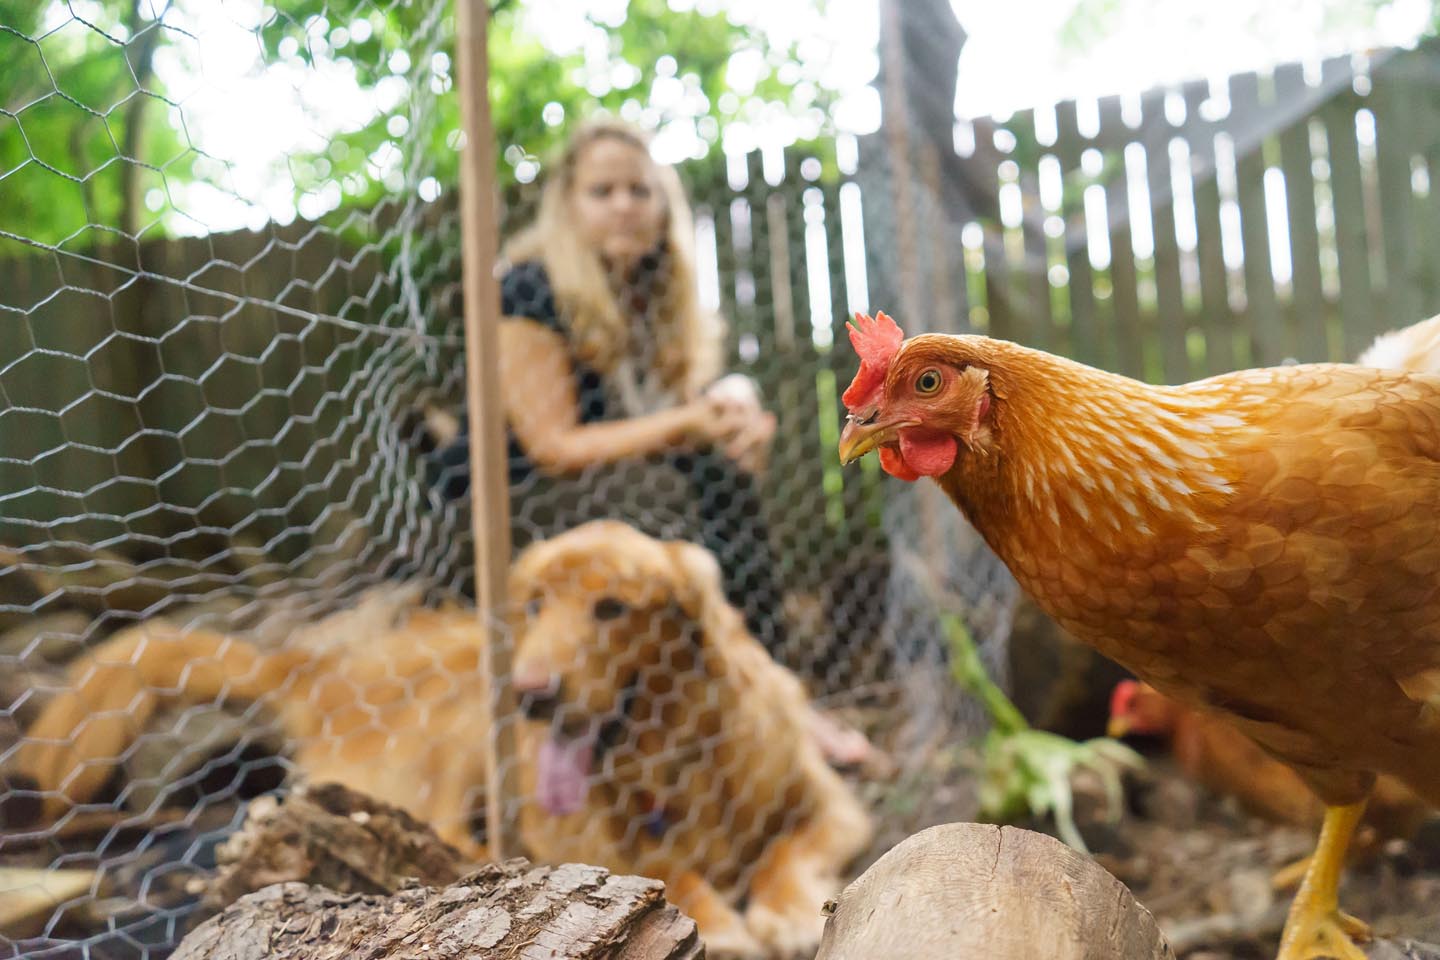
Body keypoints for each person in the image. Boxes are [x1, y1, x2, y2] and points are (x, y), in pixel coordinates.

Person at [430, 118, 784, 652]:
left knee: (717, 472)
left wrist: (736, 409)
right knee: (663, 491)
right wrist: (687, 424)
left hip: (599, 494)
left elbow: (684, 405)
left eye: (640, 190)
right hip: (502, 509)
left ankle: (752, 662)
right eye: (602, 191)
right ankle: (725, 662)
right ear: (569, 207)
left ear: (664, 206)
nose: (624, 204)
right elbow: (554, 446)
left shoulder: (653, 298)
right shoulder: (529, 289)